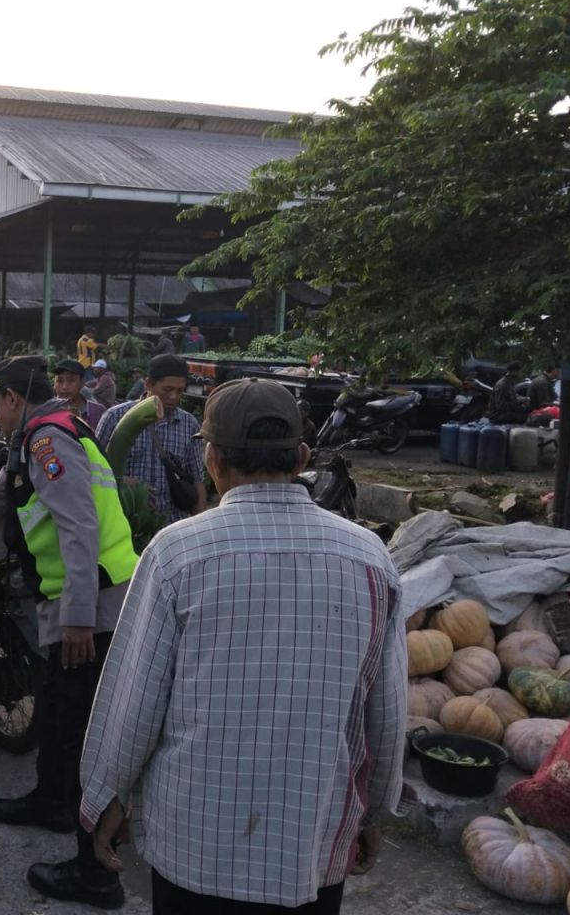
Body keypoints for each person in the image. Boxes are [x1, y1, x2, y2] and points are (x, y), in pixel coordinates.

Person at [80, 378, 406, 914]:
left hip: (194, 846)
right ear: (301, 457)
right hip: (311, 839)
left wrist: (104, 800)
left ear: (212, 459)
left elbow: (133, 703)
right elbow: (387, 716)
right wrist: (373, 816)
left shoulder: (177, 553)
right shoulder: (370, 557)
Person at [0, 356, 138, 909]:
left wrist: (77, 617)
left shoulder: (49, 440)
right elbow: (6, 489)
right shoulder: (42, 437)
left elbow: (78, 525)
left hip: (92, 607)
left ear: (11, 398)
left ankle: (94, 872)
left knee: (77, 727)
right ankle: (52, 800)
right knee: (54, 707)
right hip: (81, 601)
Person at [96, 355, 207, 525]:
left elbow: (197, 479)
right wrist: (125, 482)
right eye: (167, 389)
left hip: (172, 526)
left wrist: (200, 527)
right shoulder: (115, 417)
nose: (173, 397)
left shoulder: (189, 424)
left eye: (179, 391)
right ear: (148, 384)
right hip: (124, 525)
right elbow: (93, 469)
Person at [53, 359, 105, 430]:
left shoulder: (98, 411)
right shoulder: (47, 411)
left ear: (82, 383)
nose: (64, 386)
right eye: (59, 380)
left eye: (71, 380)